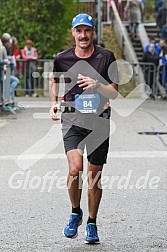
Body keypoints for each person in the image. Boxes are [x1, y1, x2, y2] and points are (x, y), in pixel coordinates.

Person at [49, 13, 118, 244]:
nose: (83, 35)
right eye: (79, 31)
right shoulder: (62, 58)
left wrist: (97, 84)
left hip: (99, 121)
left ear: (93, 32)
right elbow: (53, 78)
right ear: (73, 33)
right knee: (74, 168)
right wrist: (54, 102)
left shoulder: (106, 56)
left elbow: (115, 92)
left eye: (87, 30)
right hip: (72, 120)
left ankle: (91, 223)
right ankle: (75, 212)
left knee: (94, 177)